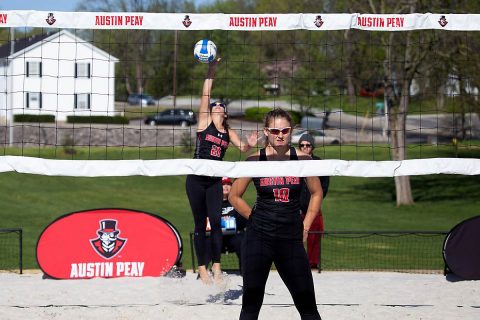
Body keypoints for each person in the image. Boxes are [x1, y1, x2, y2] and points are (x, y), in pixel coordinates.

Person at [229, 108, 323, 320]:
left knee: (307, 304)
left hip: (291, 238)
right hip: (259, 237)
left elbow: (317, 193)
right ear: (266, 132)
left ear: (291, 131)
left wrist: (306, 226)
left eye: (284, 130)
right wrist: (254, 219)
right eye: (274, 130)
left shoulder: (303, 160)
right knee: (251, 303)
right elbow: (234, 196)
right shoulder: (255, 160)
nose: (280, 134)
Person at [185, 58, 258, 284]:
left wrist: (250, 144)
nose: (215, 106)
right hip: (196, 179)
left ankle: (217, 265)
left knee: (216, 222)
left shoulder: (228, 131)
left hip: (214, 181)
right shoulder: (204, 121)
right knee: (200, 224)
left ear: (224, 113)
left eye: (220, 106)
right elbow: (205, 95)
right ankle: (202, 268)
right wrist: (211, 70)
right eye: (214, 105)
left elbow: (243, 148)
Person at [298, 133, 330, 270]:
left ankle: (312, 265)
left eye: (308, 145)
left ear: (312, 147)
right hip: (296, 208)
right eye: (302, 145)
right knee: (294, 238)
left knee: (314, 238)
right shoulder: (292, 162)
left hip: (313, 207)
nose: (305, 147)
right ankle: (295, 264)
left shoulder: (319, 164)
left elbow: (324, 187)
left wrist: (316, 201)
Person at [204, 177, 247, 275]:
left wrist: (233, 221)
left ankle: (244, 273)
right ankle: (203, 272)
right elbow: (205, 222)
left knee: (242, 241)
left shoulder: (236, 202)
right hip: (216, 235)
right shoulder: (211, 203)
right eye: (223, 184)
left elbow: (245, 221)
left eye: (228, 184)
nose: (226, 187)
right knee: (207, 241)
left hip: (234, 236)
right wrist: (221, 221)